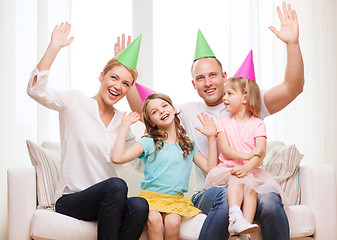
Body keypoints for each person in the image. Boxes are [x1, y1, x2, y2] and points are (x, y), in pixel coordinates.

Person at [123, 2, 304, 239]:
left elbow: (293, 88)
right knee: (223, 192)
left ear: (224, 76)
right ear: (194, 84)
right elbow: (146, 108)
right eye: (200, 78)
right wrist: (125, 71)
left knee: (270, 202)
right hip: (209, 192)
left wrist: (292, 43)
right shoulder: (186, 112)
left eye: (212, 75)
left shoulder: (247, 104)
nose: (208, 82)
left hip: (249, 187)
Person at [27, 22, 149, 240]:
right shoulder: (75, 102)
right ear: (101, 76)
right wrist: (53, 47)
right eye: (113, 78)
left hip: (110, 198)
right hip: (72, 199)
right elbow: (35, 90)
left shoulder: (123, 122)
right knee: (117, 186)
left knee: (139, 205)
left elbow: (138, 161)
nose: (117, 87)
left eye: (125, 84)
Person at [110, 93, 218, 240]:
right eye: (154, 111)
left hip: (175, 200)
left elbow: (210, 169)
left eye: (164, 106)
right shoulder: (149, 141)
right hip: (151, 198)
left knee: (173, 222)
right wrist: (124, 126)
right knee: (154, 219)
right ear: (152, 122)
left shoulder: (188, 144)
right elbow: (118, 158)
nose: (161, 111)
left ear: (173, 109)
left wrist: (211, 137)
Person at [204, 75, 289, 239]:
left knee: (252, 188)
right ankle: (235, 215)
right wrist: (247, 156)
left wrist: (247, 167)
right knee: (237, 177)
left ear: (244, 97)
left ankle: (244, 230)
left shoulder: (258, 124)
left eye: (229, 93)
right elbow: (226, 149)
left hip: (251, 171)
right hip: (228, 170)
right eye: (225, 94)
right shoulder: (223, 122)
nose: (224, 98)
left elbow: (261, 152)